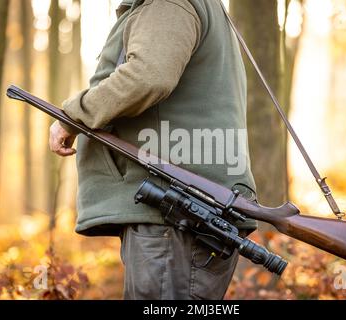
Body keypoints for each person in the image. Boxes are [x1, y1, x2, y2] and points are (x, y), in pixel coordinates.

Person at [49, 0, 257, 300]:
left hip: (175, 213)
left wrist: (74, 115)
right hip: (183, 210)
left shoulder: (166, 3)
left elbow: (148, 76)